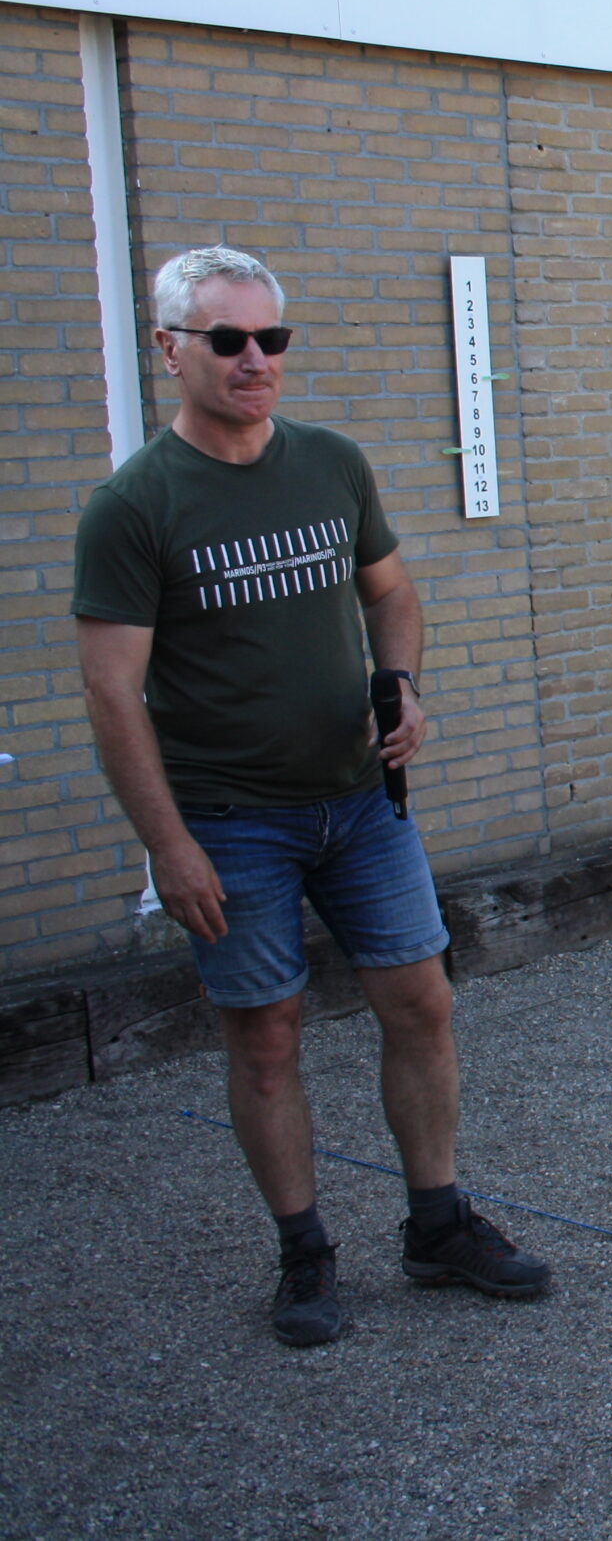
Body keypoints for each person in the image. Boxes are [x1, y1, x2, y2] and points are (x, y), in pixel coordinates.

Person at [71, 246, 549, 1349]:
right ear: (170, 349)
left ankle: (437, 1226)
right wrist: (167, 845)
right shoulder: (135, 506)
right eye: (228, 340)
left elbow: (392, 593)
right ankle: (304, 1252)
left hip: (360, 804)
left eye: (271, 338)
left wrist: (403, 683)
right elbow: (110, 694)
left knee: (421, 1002)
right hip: (229, 822)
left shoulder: (331, 464)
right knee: (265, 1036)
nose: (255, 360)